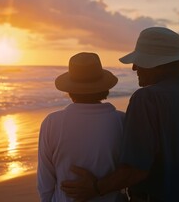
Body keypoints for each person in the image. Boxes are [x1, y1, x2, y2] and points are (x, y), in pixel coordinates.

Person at [61, 27, 179, 202]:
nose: (134, 68)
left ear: (158, 64)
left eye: (141, 61)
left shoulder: (147, 98)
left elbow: (136, 169)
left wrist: (96, 188)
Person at [37, 52, 127, 201]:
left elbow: (45, 184)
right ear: (104, 86)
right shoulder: (121, 121)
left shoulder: (52, 123)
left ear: (69, 89)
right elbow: (128, 174)